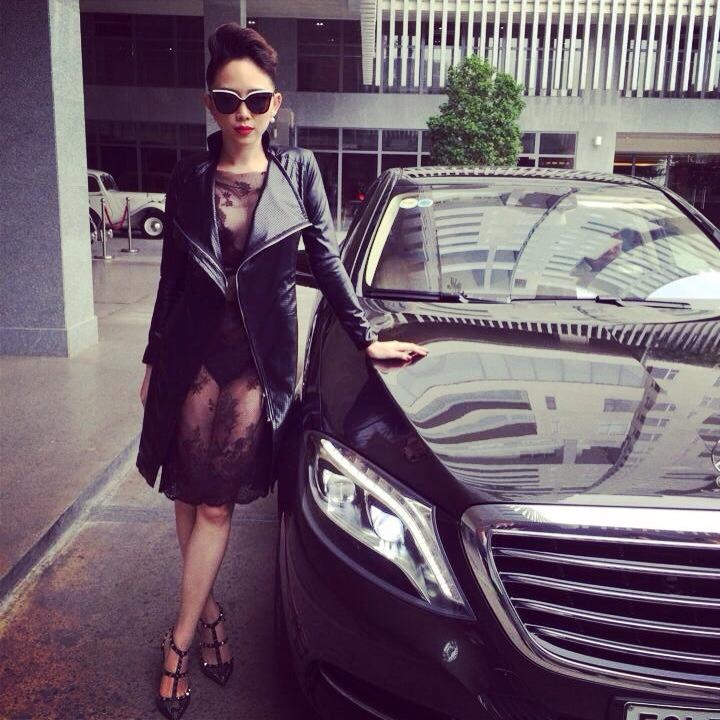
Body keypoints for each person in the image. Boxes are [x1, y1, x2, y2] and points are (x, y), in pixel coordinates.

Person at [136, 23, 428, 720]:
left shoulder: (299, 173)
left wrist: (366, 338)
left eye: (256, 100)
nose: (241, 112)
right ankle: (209, 614)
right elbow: (172, 277)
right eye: (226, 99)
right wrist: (152, 358)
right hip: (189, 357)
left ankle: (178, 642)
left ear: (276, 105)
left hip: (255, 363)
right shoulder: (188, 178)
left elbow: (326, 258)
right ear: (209, 104)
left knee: (214, 504)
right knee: (187, 495)